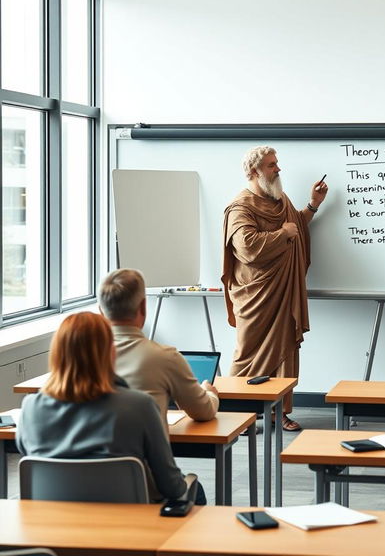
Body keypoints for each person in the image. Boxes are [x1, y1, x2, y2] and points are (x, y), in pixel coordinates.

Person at [16, 312, 188, 502]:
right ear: (111, 353)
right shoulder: (139, 406)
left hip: (51, 526)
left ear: (56, 355)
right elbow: (171, 486)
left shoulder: (30, 408)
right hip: (127, 526)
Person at [221, 146, 328, 432]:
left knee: (284, 350)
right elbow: (247, 247)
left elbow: (298, 228)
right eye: (271, 165)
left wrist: (313, 204)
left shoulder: (281, 201)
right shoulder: (241, 207)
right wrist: (283, 233)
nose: (278, 169)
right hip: (255, 293)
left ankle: (278, 412)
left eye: (277, 163)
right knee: (247, 354)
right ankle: (234, 412)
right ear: (254, 171)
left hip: (283, 291)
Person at [98, 268, 219, 430]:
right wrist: (210, 393)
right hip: (144, 454)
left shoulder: (76, 361)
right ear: (143, 307)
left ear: (100, 311)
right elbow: (203, 412)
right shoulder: (165, 358)